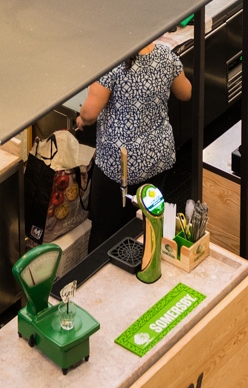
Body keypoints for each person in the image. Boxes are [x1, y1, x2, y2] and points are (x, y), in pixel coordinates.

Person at [76, 40, 192, 251]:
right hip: (157, 157)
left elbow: (89, 113)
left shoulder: (112, 64)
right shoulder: (165, 55)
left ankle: (99, 278)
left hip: (119, 166)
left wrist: (81, 120)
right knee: (146, 221)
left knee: (104, 231)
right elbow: (186, 92)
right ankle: (145, 263)